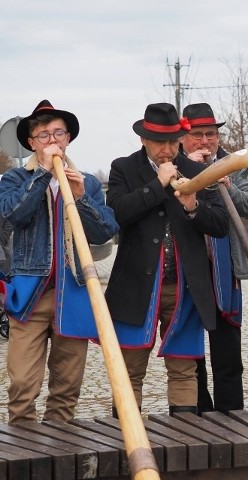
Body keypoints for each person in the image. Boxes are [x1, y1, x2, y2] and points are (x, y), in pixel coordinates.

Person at [105, 102, 229, 416]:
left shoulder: (197, 171)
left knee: (184, 368)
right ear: (144, 140)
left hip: (184, 285)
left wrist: (193, 207)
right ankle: (126, 441)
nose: (168, 149)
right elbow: (117, 214)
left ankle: (184, 439)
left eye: (174, 142)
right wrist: (157, 184)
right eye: (161, 142)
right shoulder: (124, 168)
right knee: (130, 368)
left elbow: (220, 225)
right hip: (137, 285)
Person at [0, 100, 119, 423]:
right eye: (43, 136)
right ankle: (23, 457)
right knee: (23, 384)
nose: (52, 141)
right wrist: (42, 175)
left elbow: (106, 229)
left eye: (58, 134)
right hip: (29, 293)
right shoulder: (12, 180)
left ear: (68, 139)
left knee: (67, 388)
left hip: (76, 291)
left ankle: (59, 452)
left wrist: (81, 198)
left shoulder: (89, 183)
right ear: (31, 143)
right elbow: (14, 214)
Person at [180, 102, 248, 414]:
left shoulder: (235, 164)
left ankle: (232, 417)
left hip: (225, 269)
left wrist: (227, 183)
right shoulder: (173, 163)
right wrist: (191, 170)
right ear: (183, 138)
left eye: (211, 134)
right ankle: (199, 415)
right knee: (191, 355)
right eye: (197, 134)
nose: (205, 141)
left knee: (228, 355)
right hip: (186, 268)